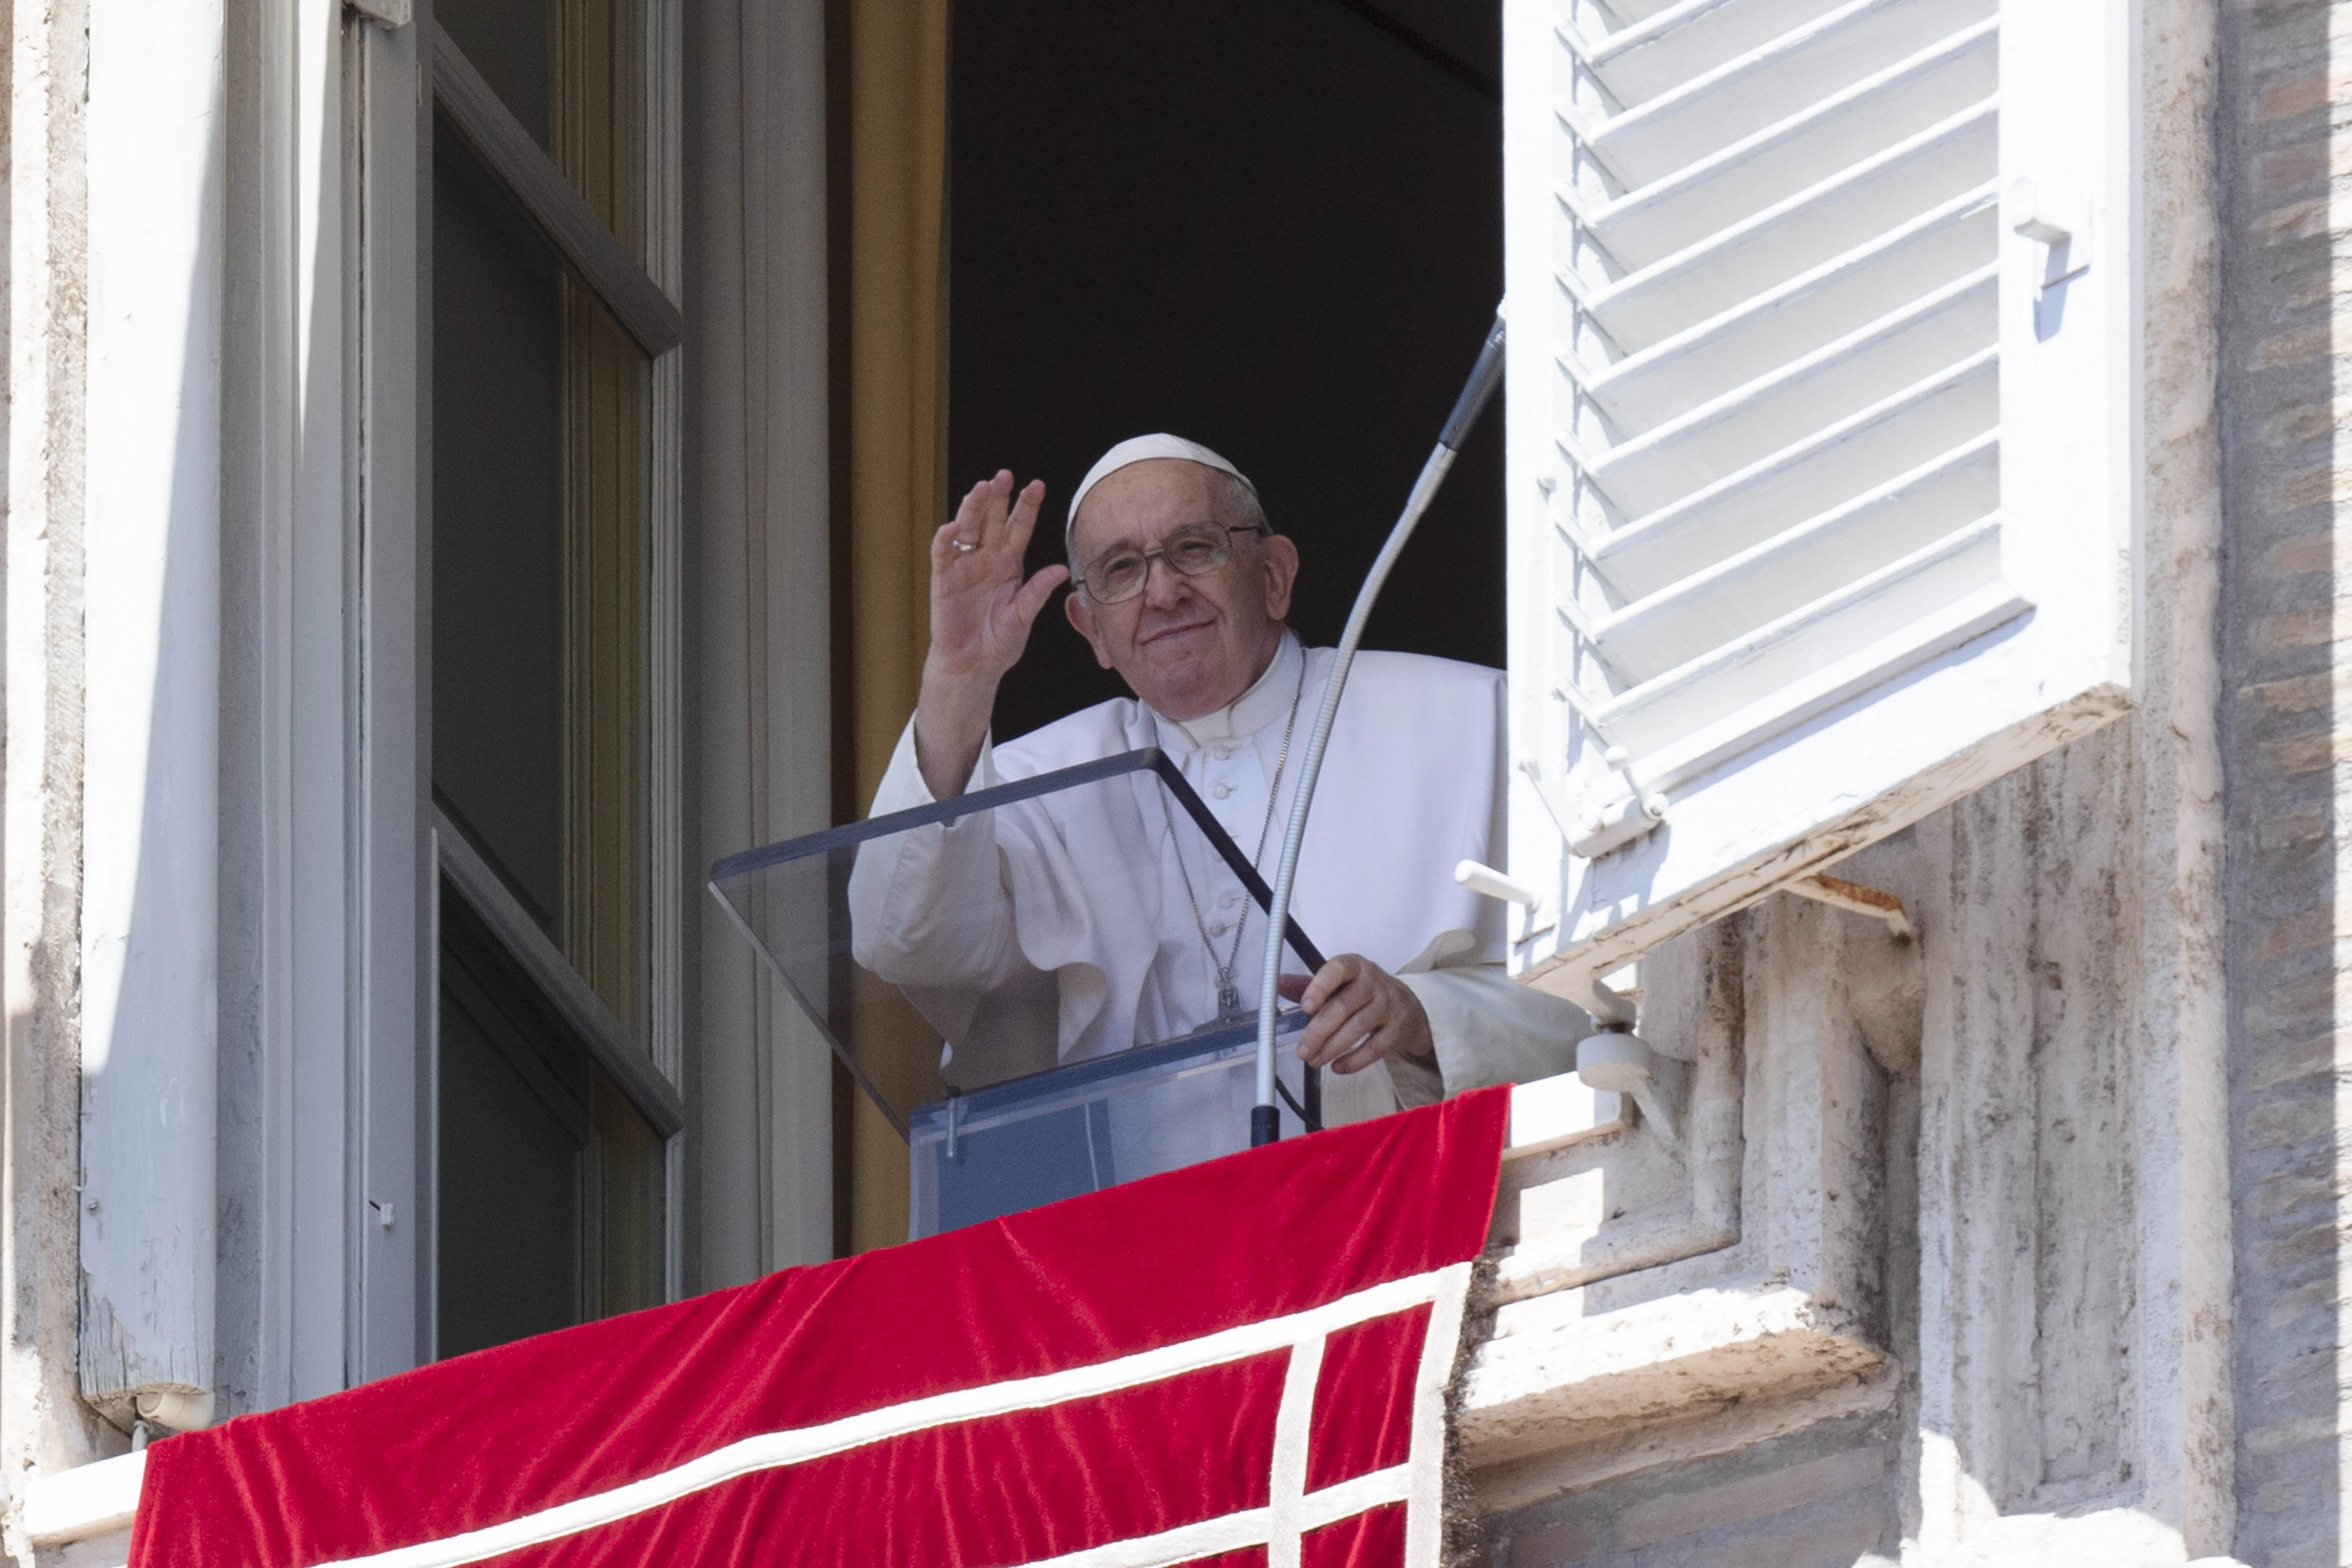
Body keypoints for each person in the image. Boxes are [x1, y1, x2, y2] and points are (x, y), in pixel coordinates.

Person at [850, 434, 1586, 1125]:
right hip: (1151, 1213)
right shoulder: (1040, 784)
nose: (1163, 591)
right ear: (1090, 629)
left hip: (1408, 1195)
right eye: (1121, 569)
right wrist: (959, 678)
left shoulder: (1475, 717)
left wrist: (1424, 1017)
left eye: (1193, 548)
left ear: (1274, 576)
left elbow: (1609, 1002)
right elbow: (901, 941)